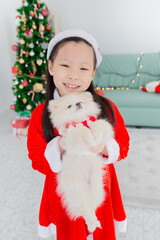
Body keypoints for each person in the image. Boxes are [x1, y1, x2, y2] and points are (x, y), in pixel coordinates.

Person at [27, 29, 130, 240]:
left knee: (101, 230)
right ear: (51, 67)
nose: (74, 75)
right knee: (70, 232)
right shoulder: (41, 114)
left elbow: (123, 143)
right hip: (64, 194)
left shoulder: (106, 108)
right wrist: (62, 145)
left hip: (100, 186)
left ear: (92, 73)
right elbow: (37, 158)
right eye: (65, 65)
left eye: (83, 68)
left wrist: (103, 147)